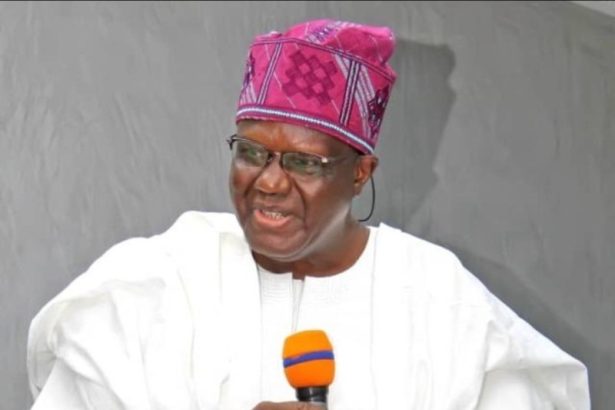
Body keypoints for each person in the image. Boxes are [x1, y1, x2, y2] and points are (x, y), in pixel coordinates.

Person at [27, 19, 589, 410]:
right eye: (251, 152)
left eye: (303, 162)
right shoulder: (156, 282)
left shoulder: (443, 303)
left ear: (360, 173)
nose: (269, 182)